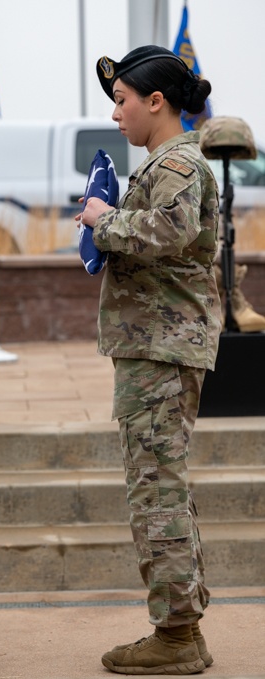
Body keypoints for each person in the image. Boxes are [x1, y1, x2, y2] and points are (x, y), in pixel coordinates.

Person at [78, 45, 222, 675]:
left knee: (156, 491)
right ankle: (180, 624)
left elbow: (167, 233)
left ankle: (176, 635)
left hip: (162, 353)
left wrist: (104, 221)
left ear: (155, 102)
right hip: (153, 349)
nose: (116, 116)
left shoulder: (181, 167)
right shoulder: (163, 164)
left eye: (121, 102)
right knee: (161, 487)